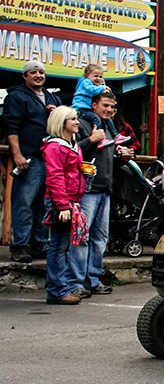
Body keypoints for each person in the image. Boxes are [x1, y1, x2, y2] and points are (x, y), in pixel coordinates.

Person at [3, 61, 63, 262]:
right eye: (33, 72)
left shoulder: (52, 97)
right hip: (30, 158)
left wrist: (56, 114)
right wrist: (17, 155)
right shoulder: (16, 96)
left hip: (51, 159)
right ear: (25, 76)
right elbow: (11, 127)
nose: (38, 75)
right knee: (23, 203)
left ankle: (40, 244)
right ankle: (20, 246)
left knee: (44, 205)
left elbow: (65, 126)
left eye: (41, 72)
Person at [73, 91, 127, 296]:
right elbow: (72, 152)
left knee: (100, 238)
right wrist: (91, 140)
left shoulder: (110, 128)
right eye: (105, 105)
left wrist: (122, 156)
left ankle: (93, 280)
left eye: (112, 107)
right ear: (94, 105)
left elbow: (107, 157)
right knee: (81, 237)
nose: (109, 110)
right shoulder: (81, 124)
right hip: (87, 190)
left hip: (105, 190)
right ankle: (76, 283)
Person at [41, 106, 86, 305]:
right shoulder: (55, 147)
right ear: (62, 122)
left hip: (71, 200)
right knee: (59, 246)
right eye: (72, 119)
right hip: (61, 201)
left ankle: (61, 287)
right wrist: (62, 205)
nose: (77, 122)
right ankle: (57, 290)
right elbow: (55, 176)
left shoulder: (72, 145)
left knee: (64, 245)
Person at [72, 63, 113, 133]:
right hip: (80, 108)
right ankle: (99, 134)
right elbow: (93, 90)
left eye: (100, 77)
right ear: (86, 75)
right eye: (95, 76)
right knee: (96, 118)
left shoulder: (93, 86)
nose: (98, 78)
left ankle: (116, 135)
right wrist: (102, 87)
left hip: (86, 108)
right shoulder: (85, 82)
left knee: (107, 119)